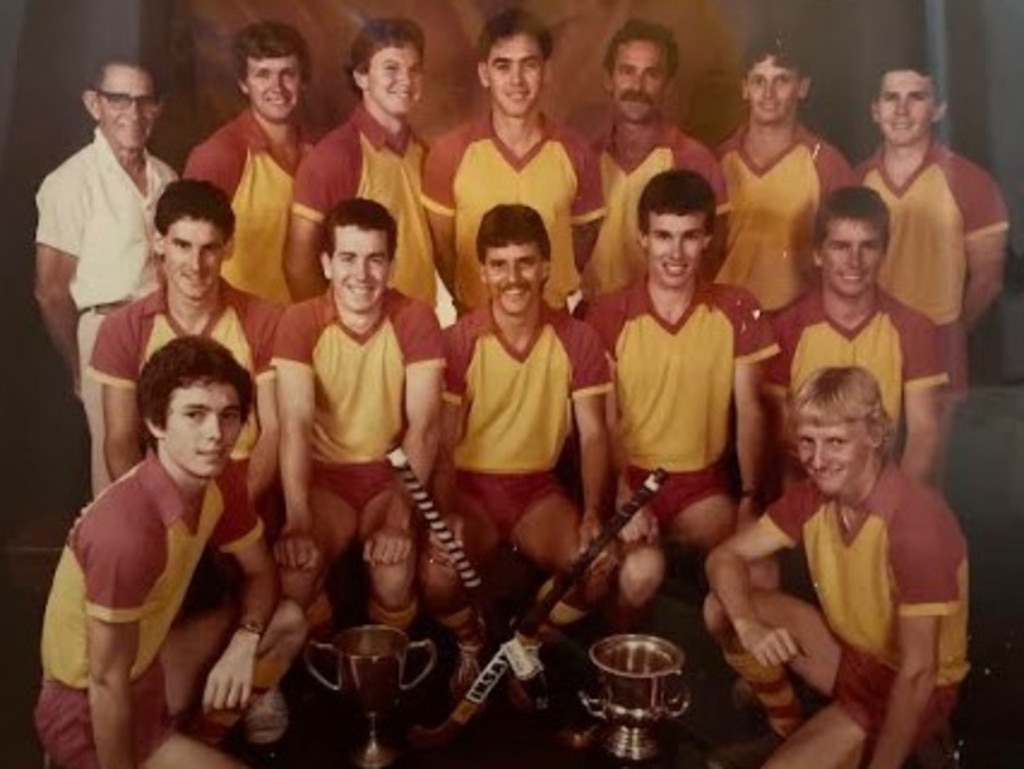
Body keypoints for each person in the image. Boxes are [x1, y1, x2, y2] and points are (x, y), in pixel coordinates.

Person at [35, 336, 308, 769]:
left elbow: (261, 574)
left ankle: (190, 743)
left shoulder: (221, 480)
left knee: (287, 621)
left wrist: (244, 640)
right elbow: (106, 683)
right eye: (195, 415)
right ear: (156, 422)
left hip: (147, 671)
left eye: (229, 415)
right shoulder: (126, 530)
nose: (215, 434)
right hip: (88, 705)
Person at [703, 366, 968, 769]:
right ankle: (788, 727)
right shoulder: (813, 496)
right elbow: (724, 558)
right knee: (722, 606)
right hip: (852, 656)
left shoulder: (915, 522)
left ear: (876, 435)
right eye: (808, 442)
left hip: (912, 683)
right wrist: (747, 625)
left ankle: (913, 738)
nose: (819, 460)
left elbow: (919, 671)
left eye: (836, 442)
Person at [420, 203, 612, 698]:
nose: (514, 277)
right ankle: (469, 642)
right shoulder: (458, 342)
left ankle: (524, 642)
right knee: (438, 575)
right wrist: (444, 517)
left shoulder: (578, 338)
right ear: (482, 272)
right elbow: (441, 446)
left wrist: (592, 512)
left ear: (547, 266)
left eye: (525, 262)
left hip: (537, 493)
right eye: (500, 265)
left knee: (597, 568)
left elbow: (593, 435)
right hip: (469, 490)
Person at [586, 170, 777, 624]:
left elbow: (751, 411)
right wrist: (620, 491)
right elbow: (606, 422)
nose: (676, 253)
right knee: (639, 571)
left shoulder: (735, 307)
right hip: (632, 480)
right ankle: (622, 673)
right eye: (664, 236)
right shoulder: (608, 313)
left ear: (708, 238)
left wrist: (750, 499)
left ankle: (750, 684)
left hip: (703, 487)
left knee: (763, 572)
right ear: (642, 238)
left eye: (689, 237)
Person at [272, 198, 443, 639]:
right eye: (348, 258)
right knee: (295, 570)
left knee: (393, 572)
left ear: (390, 264)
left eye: (375, 259)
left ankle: (384, 677)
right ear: (327, 263)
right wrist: (297, 521)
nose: (362, 275)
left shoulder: (416, 318)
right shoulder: (298, 321)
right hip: (326, 479)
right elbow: (293, 425)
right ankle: (321, 668)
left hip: (392, 478)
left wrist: (400, 520)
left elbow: (424, 429)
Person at [89, 180, 283, 514]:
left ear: (229, 248)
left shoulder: (265, 319)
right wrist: (159, 513)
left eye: (209, 248)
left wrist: (235, 511)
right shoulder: (123, 328)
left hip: (245, 487)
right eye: (182, 245)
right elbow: (120, 440)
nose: (195, 265)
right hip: (163, 489)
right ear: (159, 243)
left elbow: (275, 431)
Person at [34, 57, 177, 493]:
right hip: (106, 329)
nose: (132, 113)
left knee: (169, 457)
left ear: (157, 109)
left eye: (144, 101)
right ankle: (117, 558)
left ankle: (172, 559)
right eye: (119, 99)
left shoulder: (166, 177)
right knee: (115, 468)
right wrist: (79, 365)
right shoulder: (70, 182)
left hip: (165, 330)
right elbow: (51, 291)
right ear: (94, 104)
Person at [422, 7, 605, 314]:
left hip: (553, 322)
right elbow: (443, 249)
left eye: (528, 65)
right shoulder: (450, 153)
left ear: (546, 71)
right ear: (484, 74)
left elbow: (582, 242)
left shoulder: (576, 151)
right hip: (476, 323)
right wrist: (470, 302)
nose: (516, 80)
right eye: (503, 66)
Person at [765, 186, 947, 486]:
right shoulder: (786, 328)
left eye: (868, 246)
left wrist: (892, 508)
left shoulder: (914, 327)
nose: (855, 260)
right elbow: (783, 436)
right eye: (840, 246)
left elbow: (923, 433)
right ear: (818, 254)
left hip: (883, 490)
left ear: (884, 252)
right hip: (808, 488)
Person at [857, 60, 1008, 393]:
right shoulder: (855, 181)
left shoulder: (971, 181)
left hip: (940, 350)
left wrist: (950, 335)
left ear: (938, 109)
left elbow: (989, 278)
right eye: (891, 98)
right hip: (866, 344)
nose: (901, 110)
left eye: (916, 97)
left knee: (935, 444)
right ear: (875, 110)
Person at [284, 17, 438, 308]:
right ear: (361, 77)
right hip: (361, 334)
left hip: (420, 327)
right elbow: (298, 265)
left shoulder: (422, 151)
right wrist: (332, 328)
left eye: (414, 69)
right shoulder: (336, 156)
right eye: (391, 68)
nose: (406, 80)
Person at [587, 18, 728, 297]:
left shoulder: (695, 161)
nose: (637, 86)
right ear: (608, 80)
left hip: (664, 320)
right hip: (594, 321)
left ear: (668, 86)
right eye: (627, 71)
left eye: (651, 74)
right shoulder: (585, 158)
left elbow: (712, 256)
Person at [714, 34, 853, 312]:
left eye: (781, 80)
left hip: (798, 319)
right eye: (758, 81)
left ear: (802, 88)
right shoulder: (717, 161)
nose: (768, 93)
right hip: (726, 318)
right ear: (744, 88)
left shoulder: (826, 163)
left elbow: (849, 251)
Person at [184, 20, 312, 304]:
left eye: (287, 73)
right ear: (244, 83)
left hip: (305, 326)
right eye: (262, 74)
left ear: (303, 80)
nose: (276, 87)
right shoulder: (218, 155)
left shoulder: (320, 152)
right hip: (238, 329)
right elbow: (185, 257)